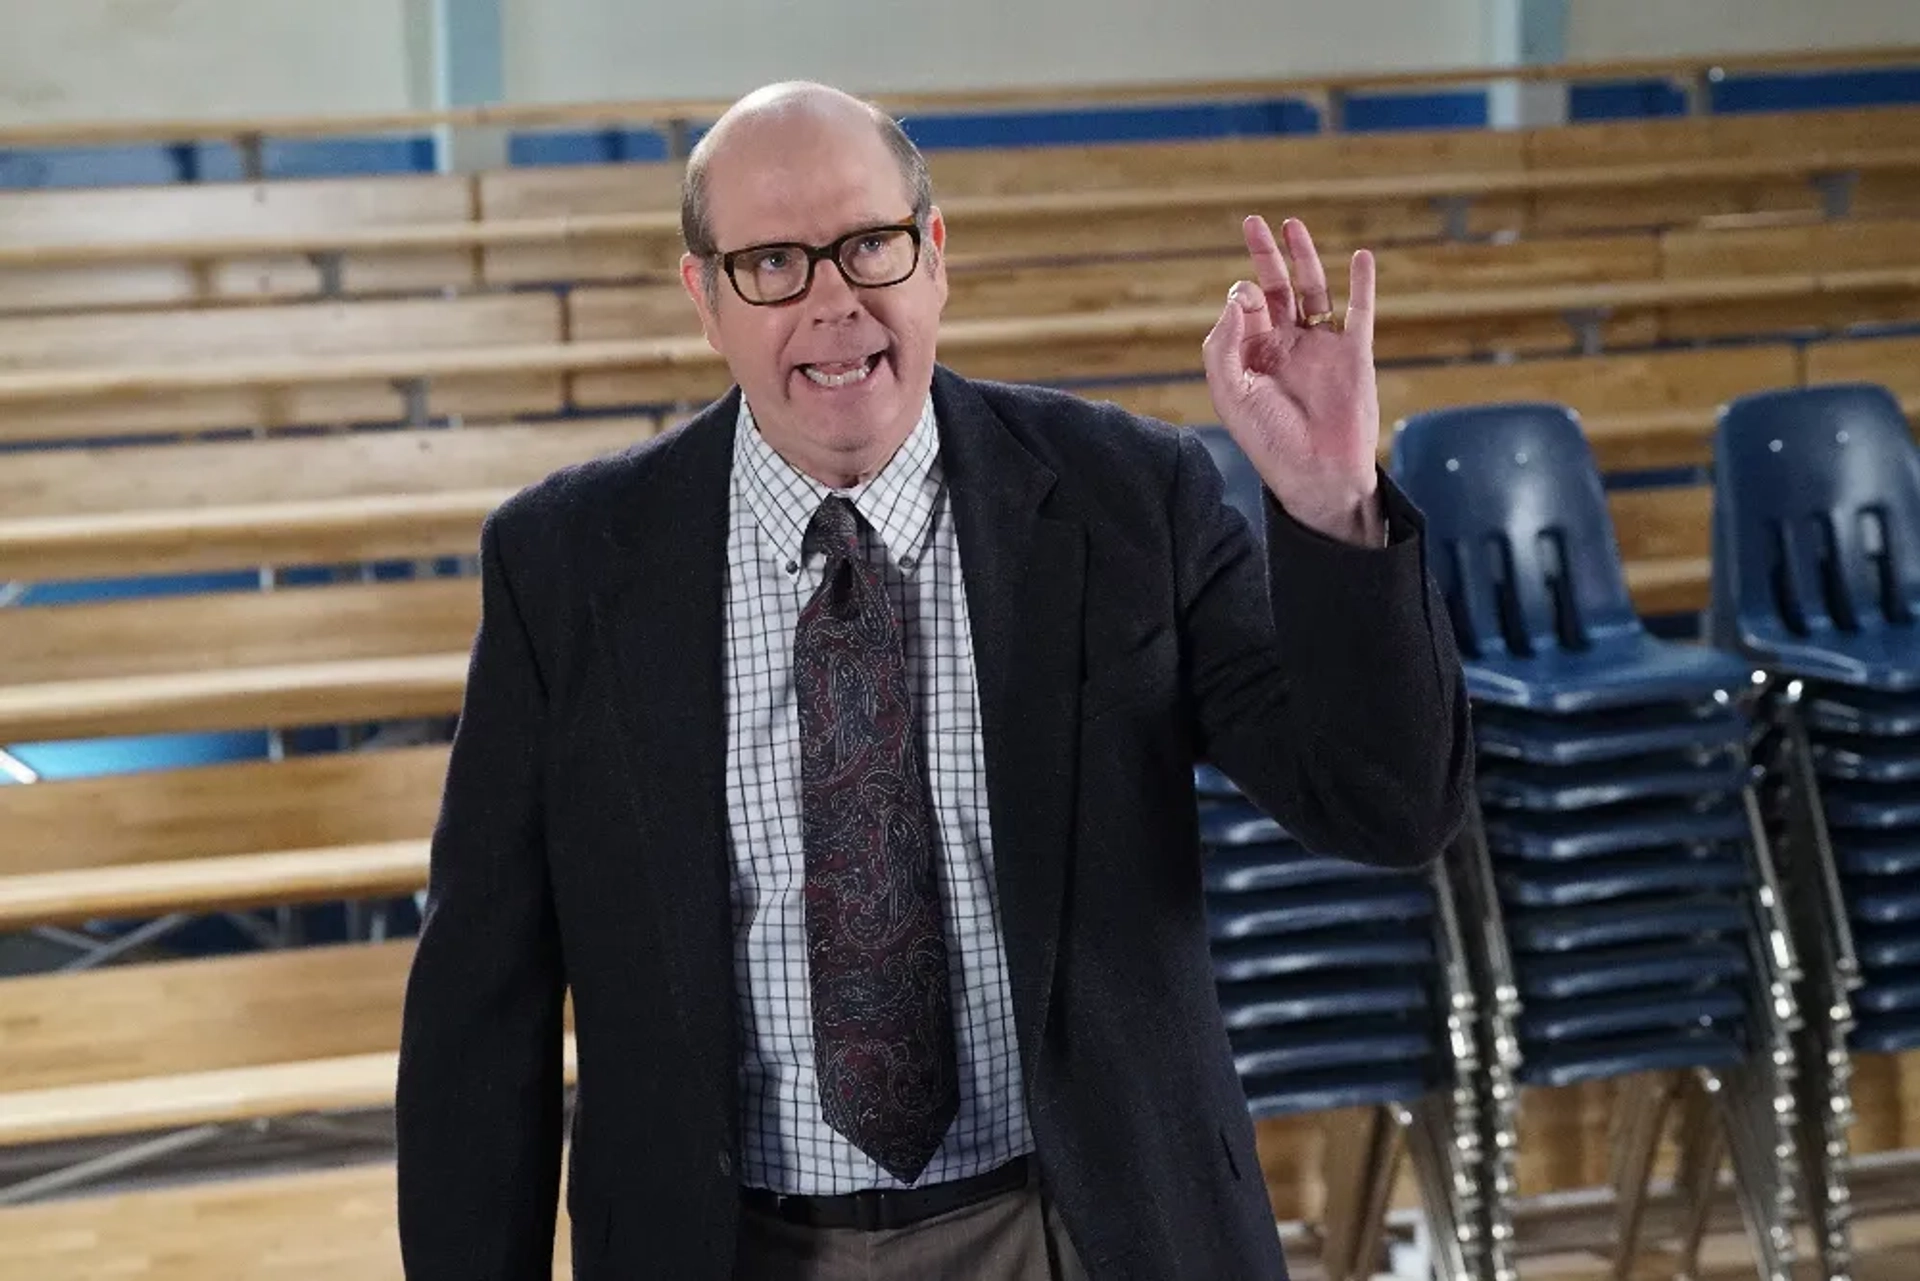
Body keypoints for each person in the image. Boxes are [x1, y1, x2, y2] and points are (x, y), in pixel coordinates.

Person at [395, 80, 1472, 1281]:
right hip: (725, 1246)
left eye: (869, 246)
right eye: (772, 266)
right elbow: (478, 1012)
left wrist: (1332, 504)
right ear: (705, 298)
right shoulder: (564, 564)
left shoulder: (1131, 499)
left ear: (935, 254)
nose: (833, 303)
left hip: (1083, 1232)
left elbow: (1389, 804)